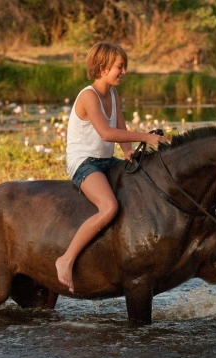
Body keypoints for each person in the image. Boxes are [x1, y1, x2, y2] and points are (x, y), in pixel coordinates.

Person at [56, 41, 166, 293]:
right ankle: (66, 259)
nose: (124, 71)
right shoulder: (88, 96)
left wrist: (128, 152)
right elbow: (106, 133)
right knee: (109, 207)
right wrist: (146, 137)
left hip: (106, 161)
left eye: (124, 66)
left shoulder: (113, 95)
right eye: (120, 66)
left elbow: (121, 129)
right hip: (84, 162)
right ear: (103, 67)